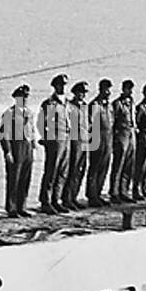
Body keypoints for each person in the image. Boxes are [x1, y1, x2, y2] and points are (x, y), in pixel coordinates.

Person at [0, 84, 34, 217]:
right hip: (15, 146)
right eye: (22, 97)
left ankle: (22, 206)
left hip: (27, 146)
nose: (24, 99)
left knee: (26, 177)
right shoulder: (9, 113)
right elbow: (3, 134)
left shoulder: (29, 112)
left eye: (26, 97)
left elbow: (31, 129)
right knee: (14, 178)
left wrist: (33, 142)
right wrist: (7, 151)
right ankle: (11, 207)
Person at [37, 74, 69, 214]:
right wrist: (46, 139)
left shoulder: (66, 102)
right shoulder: (50, 103)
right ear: (55, 86)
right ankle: (46, 201)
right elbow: (42, 124)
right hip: (55, 140)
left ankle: (56, 199)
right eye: (60, 85)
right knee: (52, 171)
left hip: (66, 138)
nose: (63, 87)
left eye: (64, 85)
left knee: (62, 171)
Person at [86, 79, 114, 206]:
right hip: (97, 138)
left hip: (108, 138)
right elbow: (91, 124)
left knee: (104, 167)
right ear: (100, 89)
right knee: (95, 167)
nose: (108, 92)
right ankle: (92, 196)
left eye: (109, 89)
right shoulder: (95, 105)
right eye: (106, 89)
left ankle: (98, 193)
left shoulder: (109, 105)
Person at [63, 81, 90, 210]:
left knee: (81, 170)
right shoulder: (70, 106)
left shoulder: (85, 106)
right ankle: (67, 198)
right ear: (75, 93)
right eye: (80, 93)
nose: (82, 95)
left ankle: (74, 196)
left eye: (84, 93)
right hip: (74, 141)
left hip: (85, 141)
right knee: (72, 170)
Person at [109, 79, 136, 202]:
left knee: (129, 164)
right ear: (123, 89)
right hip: (121, 134)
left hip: (131, 133)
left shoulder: (131, 103)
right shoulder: (117, 104)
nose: (129, 91)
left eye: (131, 89)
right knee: (119, 164)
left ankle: (124, 191)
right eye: (127, 89)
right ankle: (114, 192)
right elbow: (113, 122)